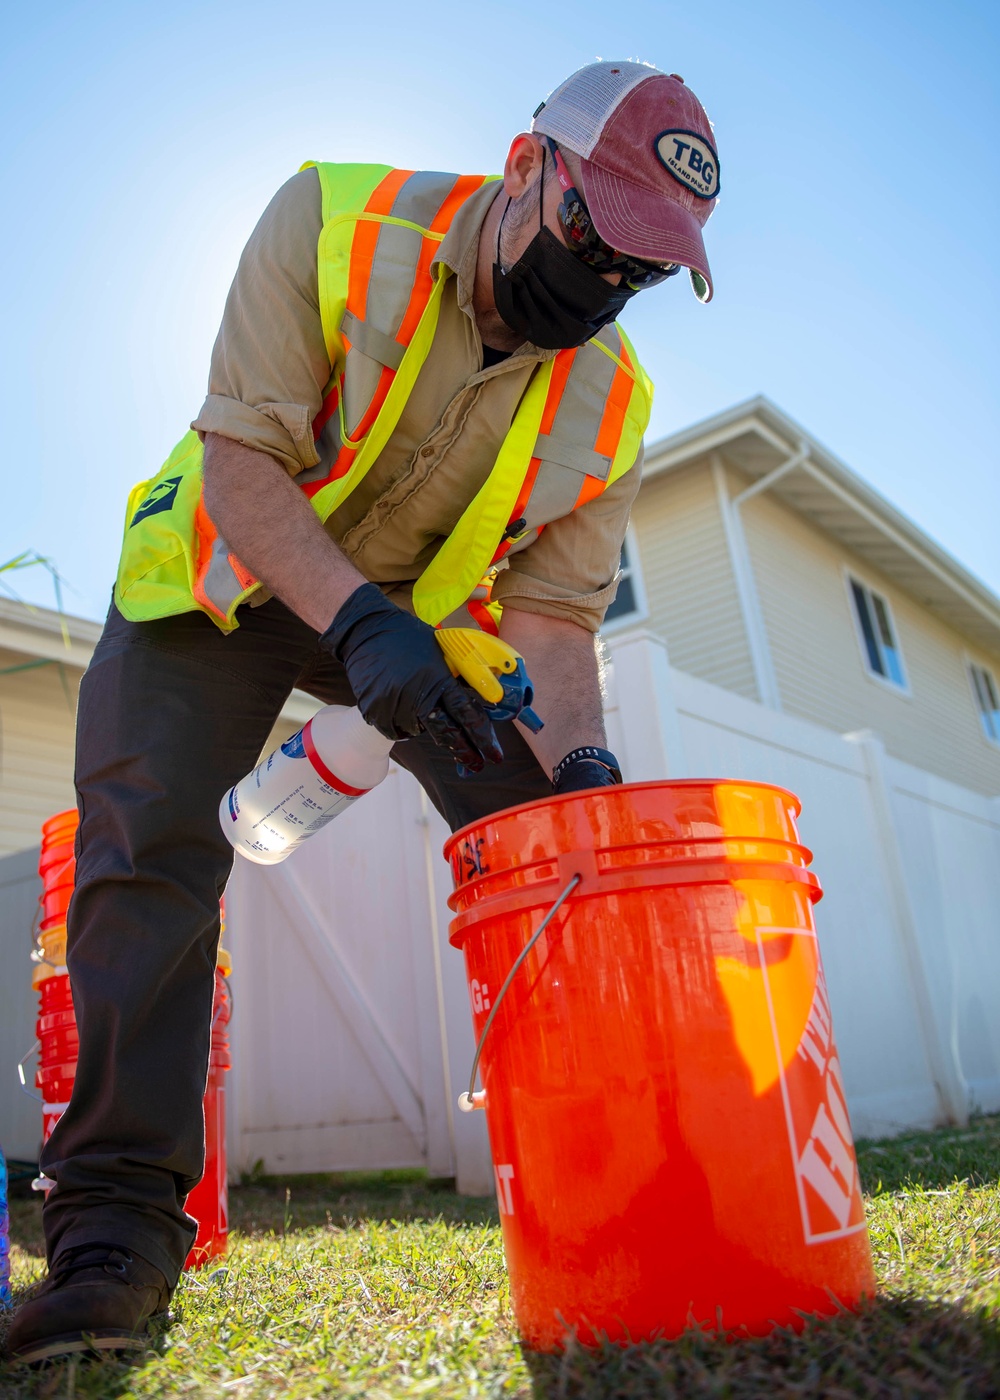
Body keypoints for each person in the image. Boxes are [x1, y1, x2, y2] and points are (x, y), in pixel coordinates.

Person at [8, 59, 719, 1364]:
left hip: (402, 624)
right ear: (525, 168)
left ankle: (620, 1191)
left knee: (538, 848)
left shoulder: (613, 404)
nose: (606, 283)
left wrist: (583, 764)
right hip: (219, 576)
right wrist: (358, 624)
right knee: (150, 845)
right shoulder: (333, 222)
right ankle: (111, 1243)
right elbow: (241, 455)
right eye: (590, 237)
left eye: (641, 270)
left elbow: (555, 623)